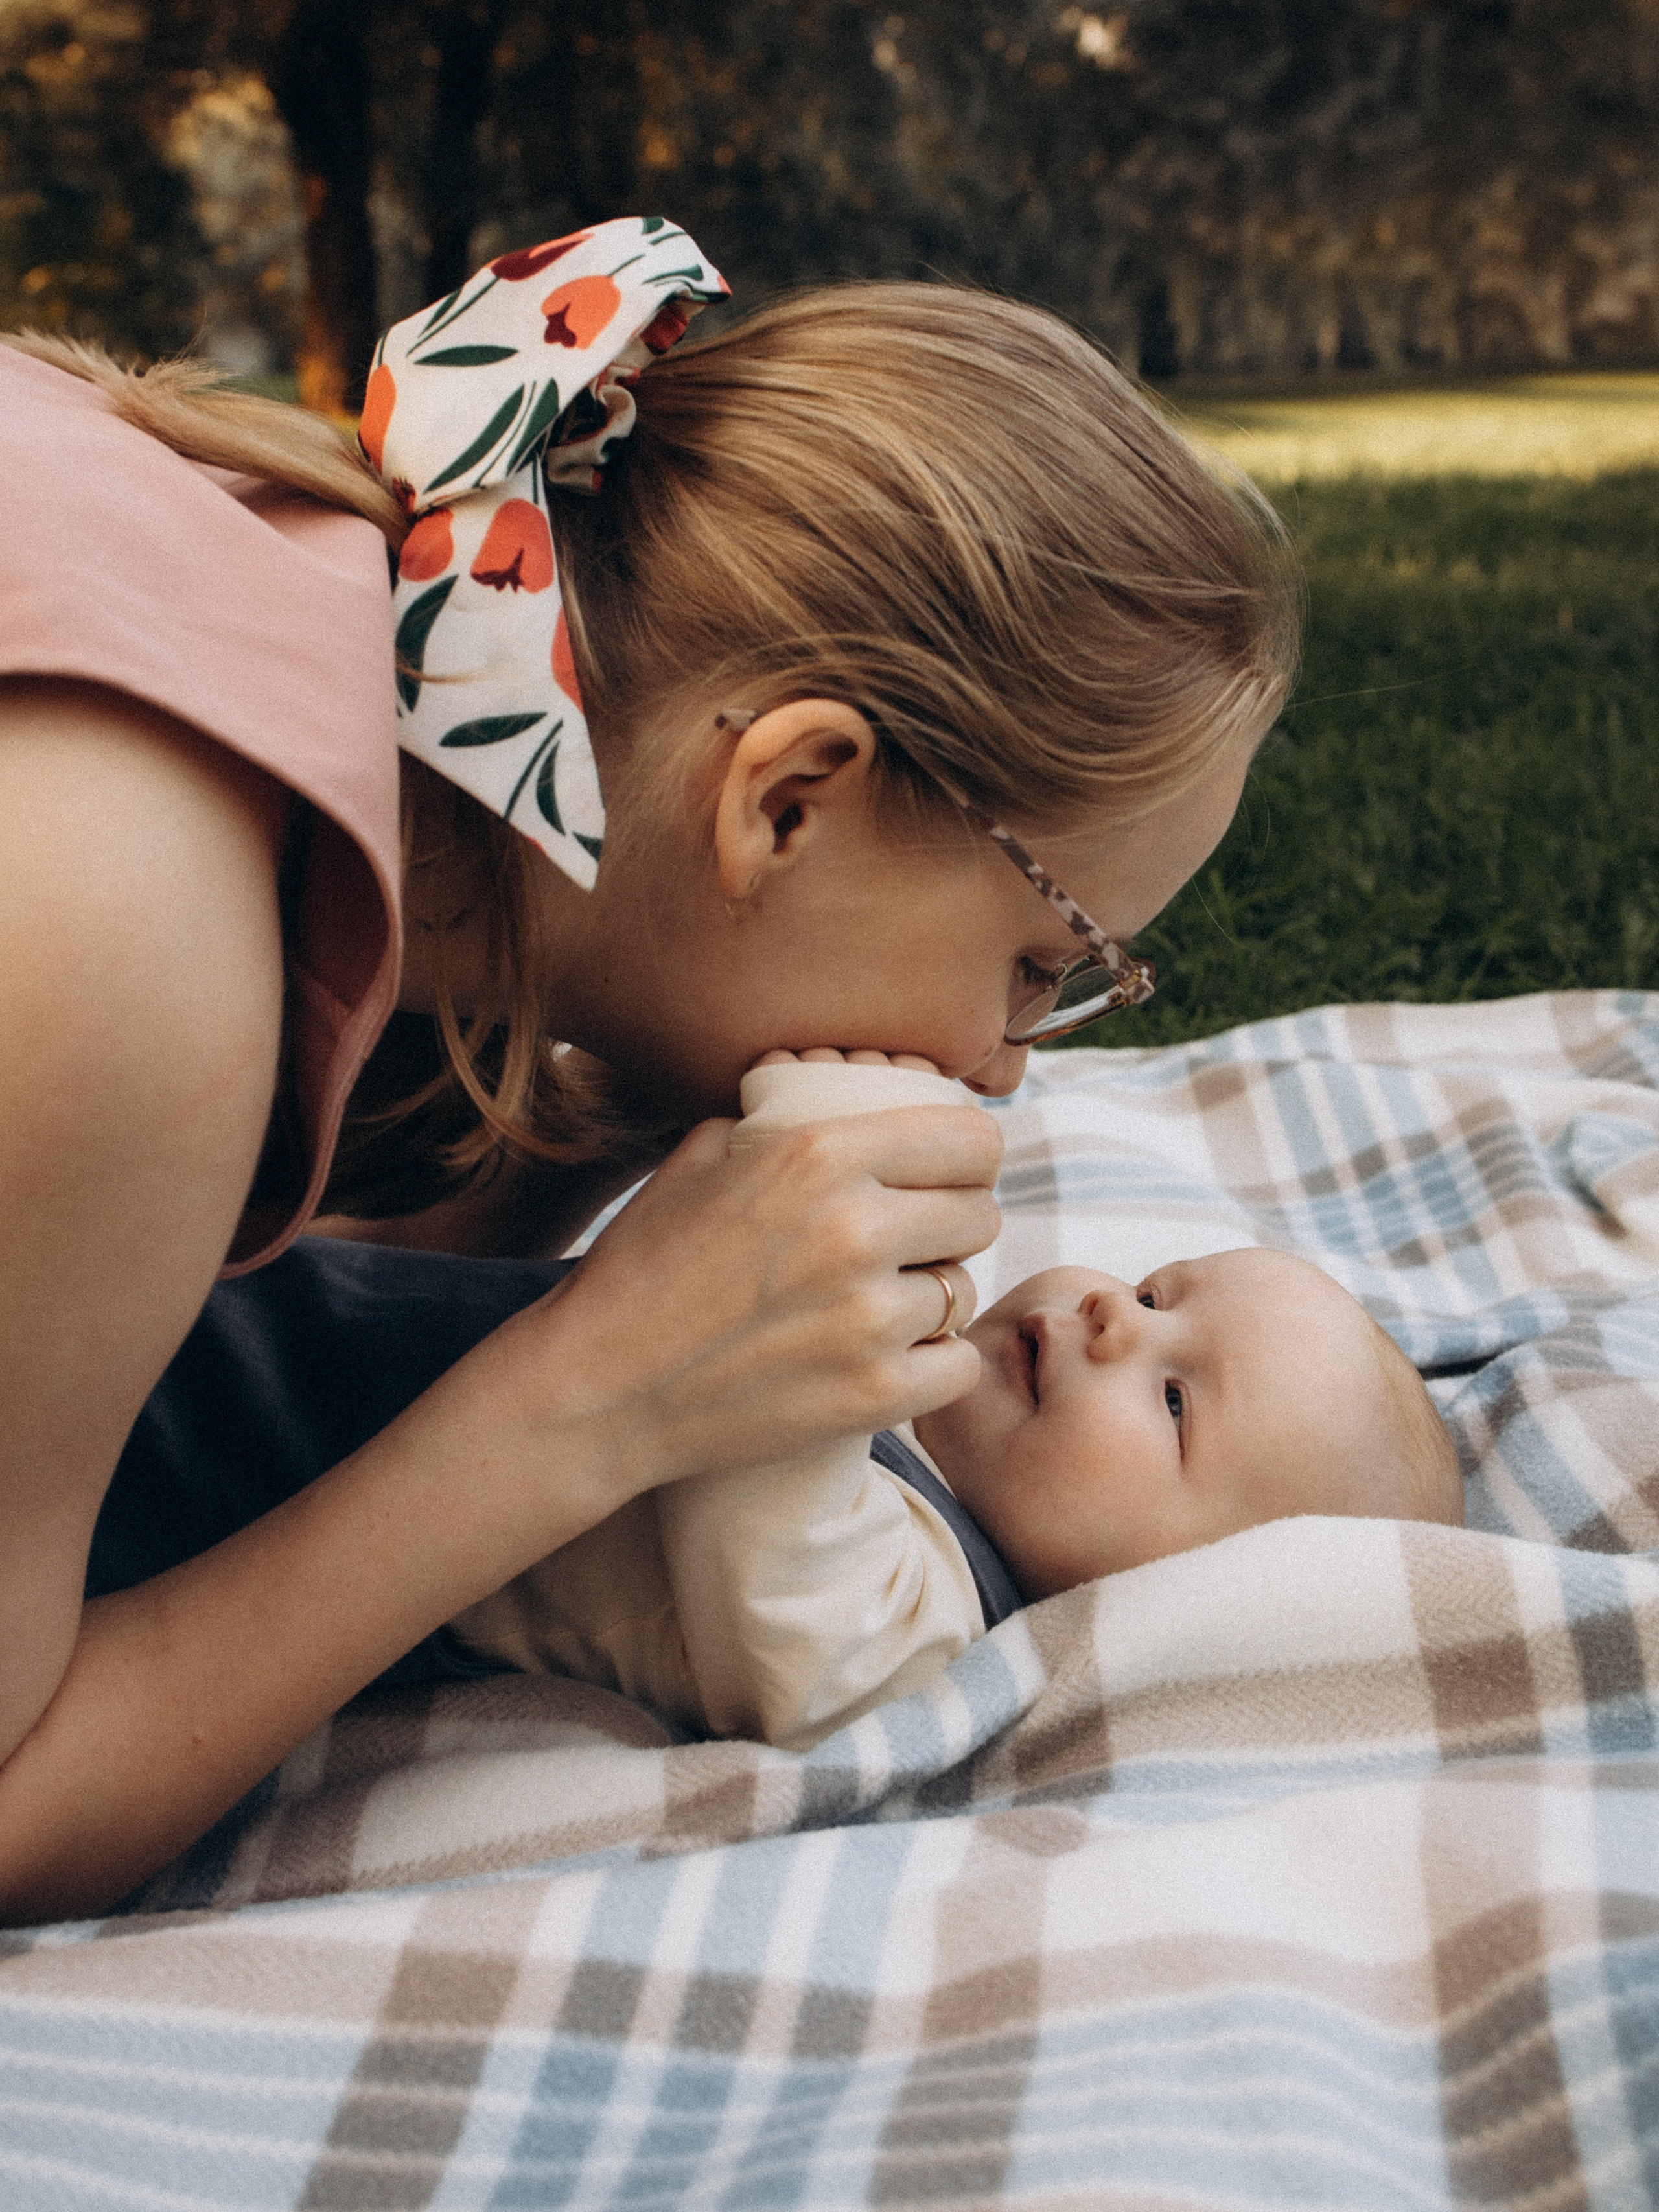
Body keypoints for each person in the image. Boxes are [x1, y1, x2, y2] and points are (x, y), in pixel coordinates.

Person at [0, 216, 1299, 1921]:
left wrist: (609, 1130)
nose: (997, 1071)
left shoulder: (283, 629)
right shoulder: (127, 917)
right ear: (789, 797)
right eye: (1044, 964)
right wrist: (581, 1400)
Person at [452, 1051, 1464, 1749]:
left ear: (1175, 1599)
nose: (1114, 1311)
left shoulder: (914, 1638)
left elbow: (757, 1453)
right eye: (1157, 1291)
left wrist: (829, 1126)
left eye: (1172, 1403)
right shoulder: (924, 1391)